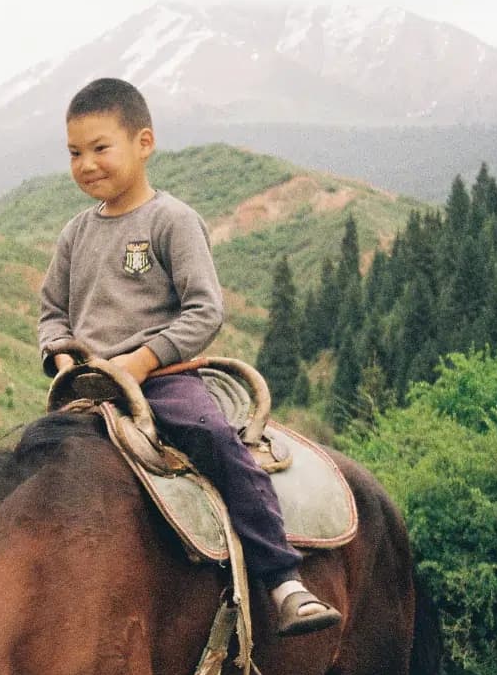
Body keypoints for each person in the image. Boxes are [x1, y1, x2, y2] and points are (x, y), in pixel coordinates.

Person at [37, 76, 341, 638]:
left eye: (101, 148)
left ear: (143, 142)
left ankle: (283, 582)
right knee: (30, 466)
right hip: (86, 389)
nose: (86, 165)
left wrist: (142, 361)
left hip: (161, 381)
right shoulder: (74, 234)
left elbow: (205, 311)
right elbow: (52, 313)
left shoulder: (170, 221)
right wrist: (61, 360)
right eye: (75, 153)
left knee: (216, 442)